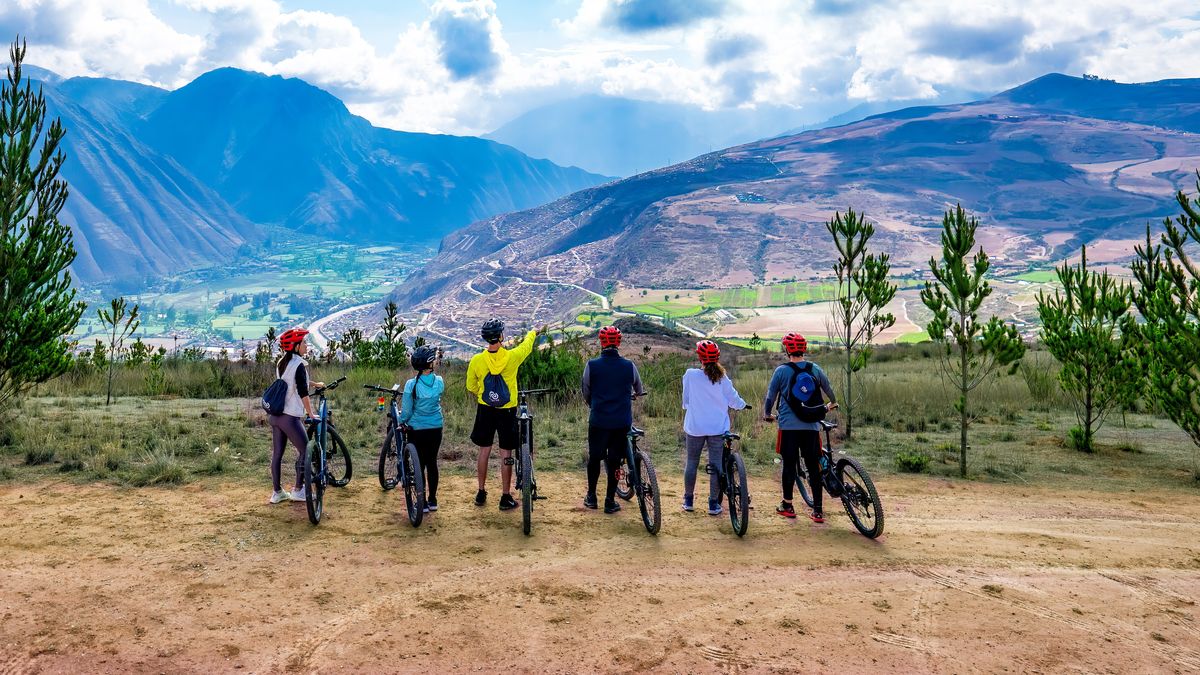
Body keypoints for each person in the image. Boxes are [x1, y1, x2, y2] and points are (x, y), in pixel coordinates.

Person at [762, 332, 838, 522]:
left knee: (789, 465)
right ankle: (818, 511)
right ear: (804, 349)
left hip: (788, 426)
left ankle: (787, 505)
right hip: (811, 426)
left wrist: (767, 414)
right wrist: (833, 403)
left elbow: (770, 396)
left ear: (787, 349)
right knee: (814, 466)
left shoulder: (781, 371)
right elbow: (828, 390)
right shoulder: (815, 369)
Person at [466, 319, 540, 510]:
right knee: (506, 452)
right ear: (501, 336)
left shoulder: (477, 360)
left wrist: (484, 394)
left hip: (485, 409)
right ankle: (505, 497)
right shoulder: (512, 357)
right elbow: (526, 347)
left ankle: (481, 492)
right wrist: (532, 332)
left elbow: (470, 386)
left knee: (484, 450)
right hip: (507, 410)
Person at [581, 326, 646, 514]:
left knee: (595, 458)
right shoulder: (629, 366)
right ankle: (610, 500)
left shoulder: (591, 365)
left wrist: (593, 404)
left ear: (601, 343)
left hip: (599, 420)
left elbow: (586, 391)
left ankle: (591, 496)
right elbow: (639, 390)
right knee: (615, 460)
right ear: (618, 342)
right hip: (621, 421)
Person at [682, 340, 747, 515]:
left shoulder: (690, 375)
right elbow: (734, 400)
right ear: (717, 358)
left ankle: (688, 500)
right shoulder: (722, 378)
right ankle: (713, 504)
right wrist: (743, 405)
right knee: (716, 464)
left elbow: (686, 401)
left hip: (695, 427)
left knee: (692, 462)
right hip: (717, 428)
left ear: (699, 357)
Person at [267, 328, 324, 504]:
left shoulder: (281, 363)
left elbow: (292, 381)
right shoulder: (299, 364)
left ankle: (277, 493)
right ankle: (298, 490)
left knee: (277, 454)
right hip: (289, 417)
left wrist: (315, 383)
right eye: (304, 342)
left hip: (275, 416)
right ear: (296, 346)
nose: (307, 345)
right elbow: (302, 392)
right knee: (305, 451)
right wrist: (311, 413)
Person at [400, 345, 444, 512]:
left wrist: (403, 421)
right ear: (430, 364)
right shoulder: (439, 382)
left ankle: (422, 501)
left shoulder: (411, 385)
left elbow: (406, 411)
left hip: (416, 429)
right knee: (432, 462)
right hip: (435, 427)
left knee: (420, 464)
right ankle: (433, 500)